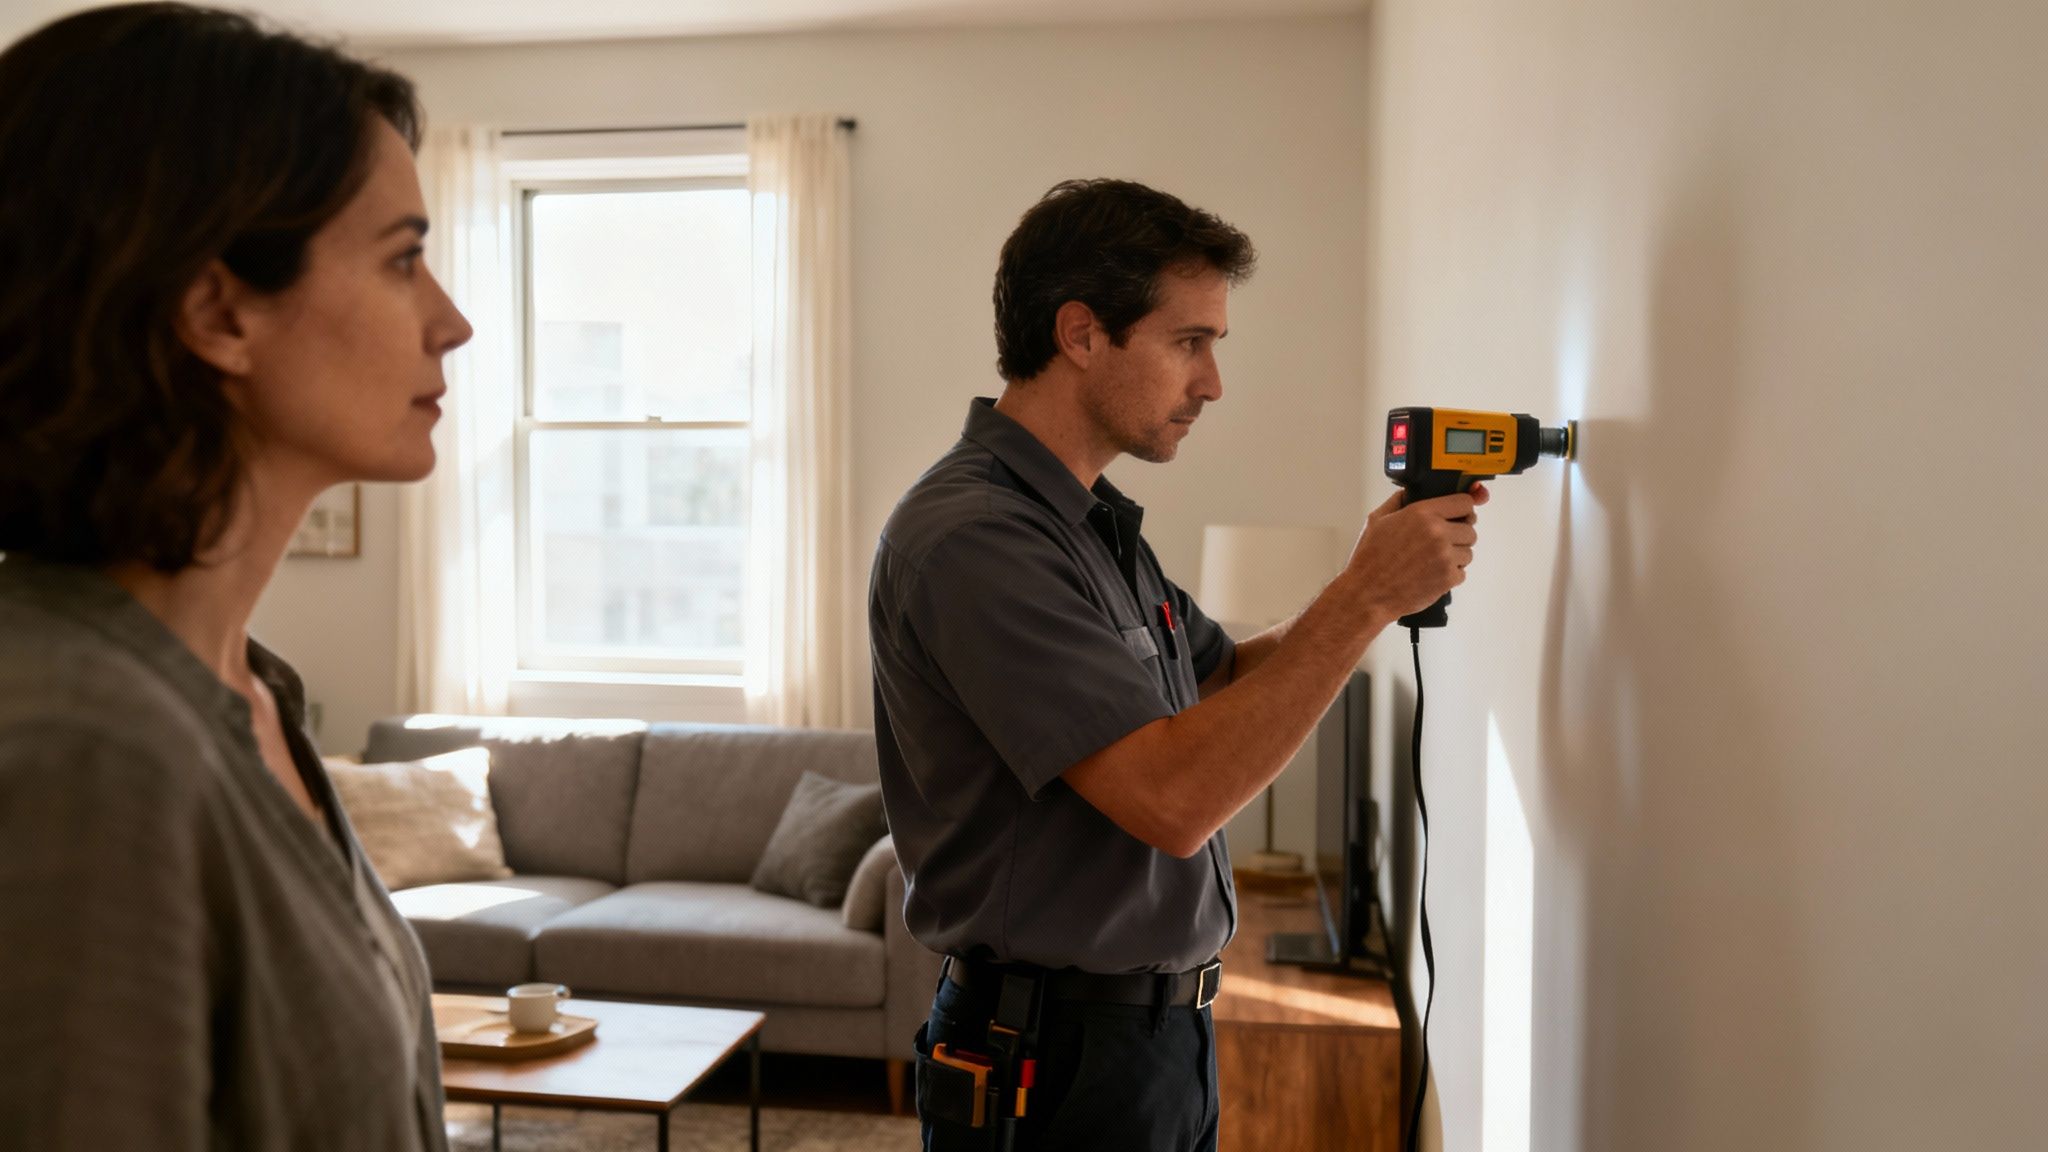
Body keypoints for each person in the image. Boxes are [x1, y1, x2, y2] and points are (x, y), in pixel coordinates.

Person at [869, 178, 1489, 1151]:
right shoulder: (976, 538)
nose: (1210, 383)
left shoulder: (1089, 522)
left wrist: (1366, 581)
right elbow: (1170, 799)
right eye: (1187, 341)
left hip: (1151, 1041)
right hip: (1056, 1058)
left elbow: (1221, 680)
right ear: (1080, 334)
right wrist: (1364, 597)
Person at [0, 5, 472, 1148]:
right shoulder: (83, 744)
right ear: (218, 312)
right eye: (402, 259)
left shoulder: (259, 694)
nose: (449, 323)